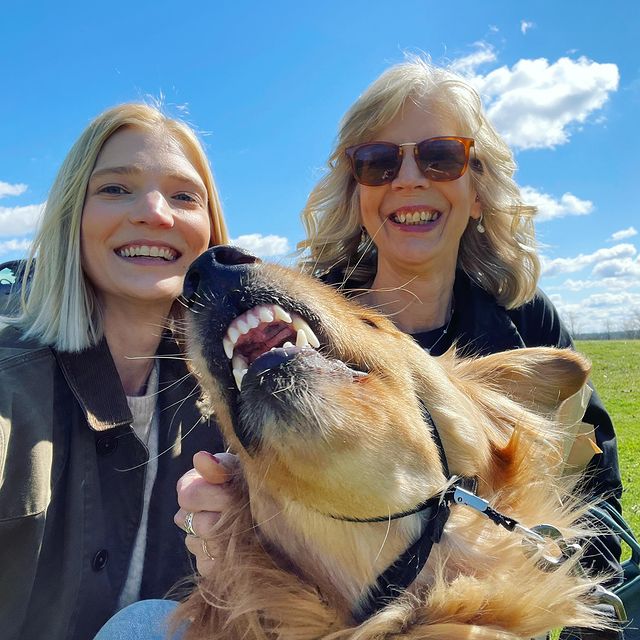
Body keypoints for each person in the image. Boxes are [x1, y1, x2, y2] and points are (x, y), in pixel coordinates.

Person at [98, 57, 624, 638]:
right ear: (357, 195)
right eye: (377, 164)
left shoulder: (524, 322)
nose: (408, 179)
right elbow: (226, 478)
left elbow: (594, 496)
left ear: (478, 189)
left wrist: (586, 623)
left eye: (440, 157)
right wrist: (221, 518)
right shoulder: (282, 318)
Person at [0, 103, 229, 640]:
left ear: (211, 232)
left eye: (183, 196)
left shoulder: (231, 401)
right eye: (114, 189)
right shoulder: (9, 386)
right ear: (70, 218)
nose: (155, 212)